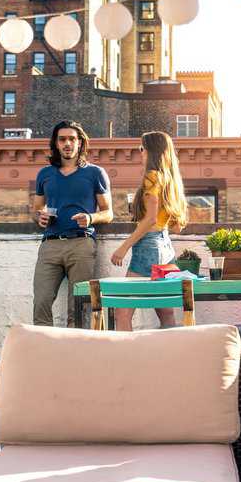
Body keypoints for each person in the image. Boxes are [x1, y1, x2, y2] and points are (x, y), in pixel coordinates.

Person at [33, 120, 113, 327]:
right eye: (62, 139)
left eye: (72, 139)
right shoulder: (45, 174)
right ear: (56, 144)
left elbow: (108, 212)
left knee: (78, 307)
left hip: (81, 243)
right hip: (50, 244)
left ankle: (74, 353)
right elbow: (36, 208)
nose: (67, 143)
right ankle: (44, 352)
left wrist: (90, 218)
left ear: (80, 143)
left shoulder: (95, 173)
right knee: (41, 301)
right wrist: (39, 216)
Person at [110, 131, 188, 331]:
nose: (140, 153)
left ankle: (127, 359)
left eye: (141, 148)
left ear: (150, 151)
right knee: (166, 313)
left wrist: (124, 247)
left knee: (122, 311)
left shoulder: (152, 177)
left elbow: (150, 219)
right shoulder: (171, 180)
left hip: (149, 246)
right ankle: (169, 360)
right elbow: (177, 226)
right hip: (165, 246)